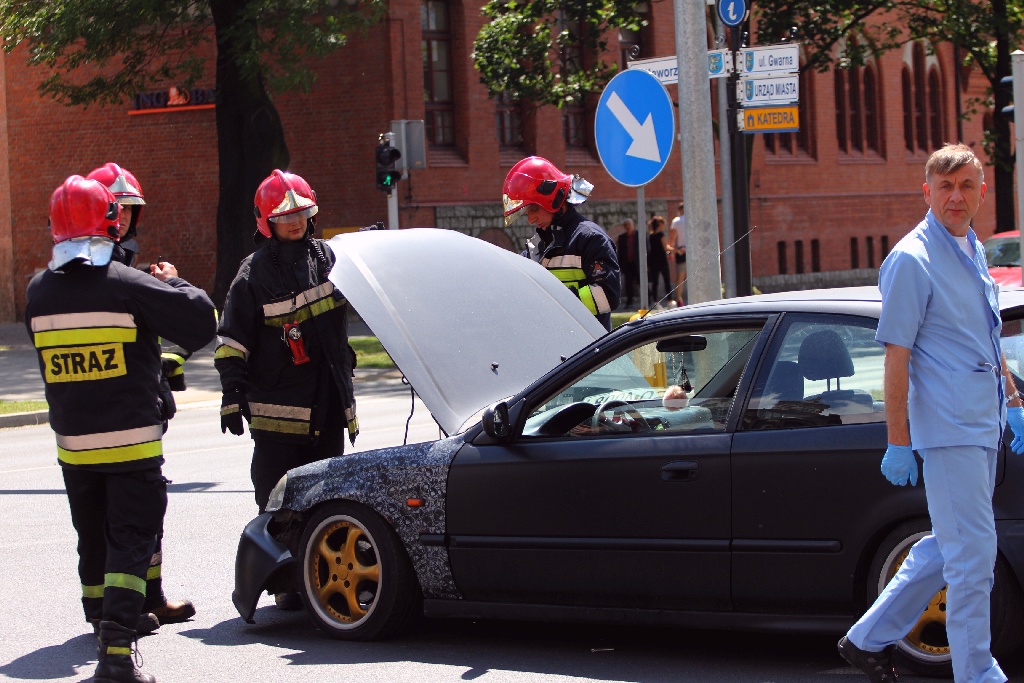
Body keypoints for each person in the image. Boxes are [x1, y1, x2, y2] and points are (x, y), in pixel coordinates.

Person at [837, 143, 1024, 683]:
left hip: (982, 421)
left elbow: (986, 340)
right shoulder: (912, 260)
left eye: (967, 186)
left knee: (949, 545)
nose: (956, 196)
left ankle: (867, 639)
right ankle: (976, 670)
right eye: (945, 186)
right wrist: (899, 440)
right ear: (926, 191)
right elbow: (896, 357)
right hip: (948, 428)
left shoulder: (972, 248)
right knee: (973, 556)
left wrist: (1012, 401)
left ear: (982, 192)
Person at [25, 175, 215, 683]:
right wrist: (172, 281)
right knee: (131, 541)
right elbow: (201, 321)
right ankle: (116, 654)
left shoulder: (38, 292)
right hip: (130, 444)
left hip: (74, 447)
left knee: (92, 538)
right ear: (108, 222)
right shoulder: (127, 284)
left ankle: (98, 620)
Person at [214, 169, 359, 609]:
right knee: (278, 498)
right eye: (284, 215)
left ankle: (318, 577)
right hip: (279, 411)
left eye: (301, 212)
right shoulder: (253, 273)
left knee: (329, 498)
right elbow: (231, 340)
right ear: (266, 221)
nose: (294, 222)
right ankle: (284, 583)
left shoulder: (329, 259)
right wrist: (232, 394)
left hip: (328, 402)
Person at [86, 162, 196, 628]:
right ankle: (114, 613)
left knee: (147, 514)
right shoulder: (99, 271)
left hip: (138, 408)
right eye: (118, 209)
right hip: (112, 416)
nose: (125, 218)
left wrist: (161, 372)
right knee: (119, 520)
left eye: (131, 210)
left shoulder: (125, 264)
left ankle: (150, 597)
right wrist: (168, 287)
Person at [503, 156, 620, 330]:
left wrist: (554, 305)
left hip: (588, 349)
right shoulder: (537, 245)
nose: (530, 219)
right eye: (527, 212)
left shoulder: (590, 238)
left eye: (534, 209)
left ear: (554, 201)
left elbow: (607, 295)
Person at [647, 215, 671, 304]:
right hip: (662, 260)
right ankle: (670, 300)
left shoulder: (651, 236)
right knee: (667, 280)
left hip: (653, 260)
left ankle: (655, 300)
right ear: (660, 224)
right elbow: (666, 247)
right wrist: (675, 249)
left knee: (655, 282)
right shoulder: (661, 235)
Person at [615, 219, 640, 308]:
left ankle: (648, 301)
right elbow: (620, 253)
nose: (627, 226)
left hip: (638, 263)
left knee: (641, 281)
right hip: (627, 264)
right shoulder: (622, 237)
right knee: (628, 284)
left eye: (629, 224)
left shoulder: (639, 235)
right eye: (626, 225)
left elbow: (647, 249)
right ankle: (629, 303)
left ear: (633, 225)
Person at [668, 201, 686, 304]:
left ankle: (679, 299)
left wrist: (671, 252)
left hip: (681, 250)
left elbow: (672, 238)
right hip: (692, 249)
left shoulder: (677, 221)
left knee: (680, 277)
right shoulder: (693, 219)